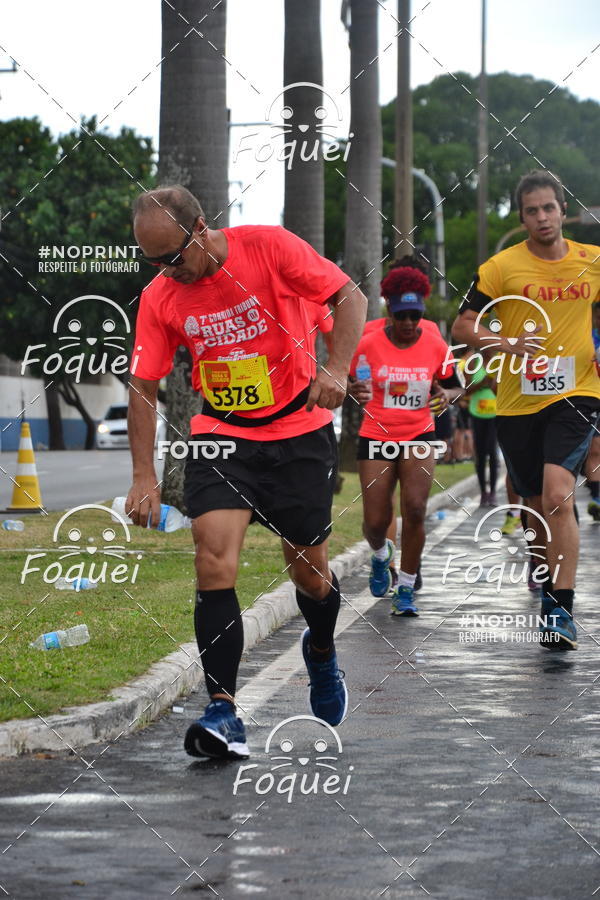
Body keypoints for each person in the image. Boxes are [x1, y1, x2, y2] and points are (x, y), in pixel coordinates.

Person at [126, 185, 367, 758]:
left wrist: (335, 368)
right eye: (152, 261)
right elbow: (143, 385)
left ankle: (322, 650)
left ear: (201, 227)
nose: (166, 271)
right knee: (212, 557)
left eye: (173, 256)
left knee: (309, 572)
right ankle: (223, 712)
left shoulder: (271, 248)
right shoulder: (161, 296)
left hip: (299, 430)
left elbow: (349, 297)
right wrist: (142, 476)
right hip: (222, 434)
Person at [452, 169, 600, 650]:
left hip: (576, 393)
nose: (542, 217)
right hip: (517, 404)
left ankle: (563, 609)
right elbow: (462, 325)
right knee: (533, 507)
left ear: (563, 211)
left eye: (549, 208)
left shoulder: (592, 261)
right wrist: (506, 342)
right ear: (522, 217)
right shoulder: (501, 267)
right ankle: (546, 593)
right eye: (532, 211)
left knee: (559, 495)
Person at [349, 259, 460, 616]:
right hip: (376, 436)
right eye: (402, 316)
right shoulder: (367, 342)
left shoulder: (433, 341)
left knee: (415, 509)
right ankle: (381, 556)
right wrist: (355, 391)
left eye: (415, 315)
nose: (409, 323)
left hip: (418, 434)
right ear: (389, 311)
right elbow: (351, 384)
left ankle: (407, 588)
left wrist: (447, 395)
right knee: (376, 521)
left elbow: (454, 384)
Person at [463, 349, 498, 506]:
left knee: (492, 452)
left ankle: (493, 493)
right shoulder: (473, 362)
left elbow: (502, 389)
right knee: (481, 455)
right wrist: (482, 383)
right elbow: (466, 390)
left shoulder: (499, 362)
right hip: (477, 413)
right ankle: (483, 492)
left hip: (495, 413)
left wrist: (492, 383)